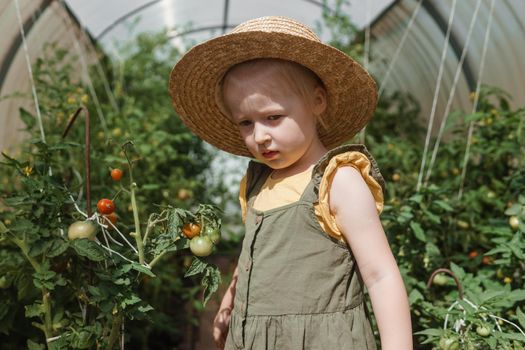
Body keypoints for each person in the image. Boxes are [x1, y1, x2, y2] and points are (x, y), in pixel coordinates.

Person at [169, 16, 412, 350]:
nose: (259, 136)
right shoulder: (258, 184)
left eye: (273, 117)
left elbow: (380, 276)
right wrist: (229, 302)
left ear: (317, 101)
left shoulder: (337, 180)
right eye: (245, 123)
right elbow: (252, 257)